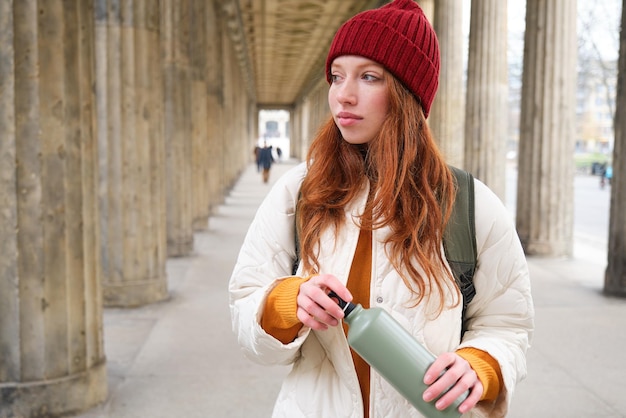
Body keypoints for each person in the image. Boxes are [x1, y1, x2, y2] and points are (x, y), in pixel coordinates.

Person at [229, 1, 534, 417]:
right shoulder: (299, 191)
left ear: (408, 94)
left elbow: (507, 325)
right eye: (337, 77)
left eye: (368, 77)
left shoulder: (470, 204)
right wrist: (287, 303)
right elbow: (245, 307)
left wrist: (481, 365)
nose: (343, 95)